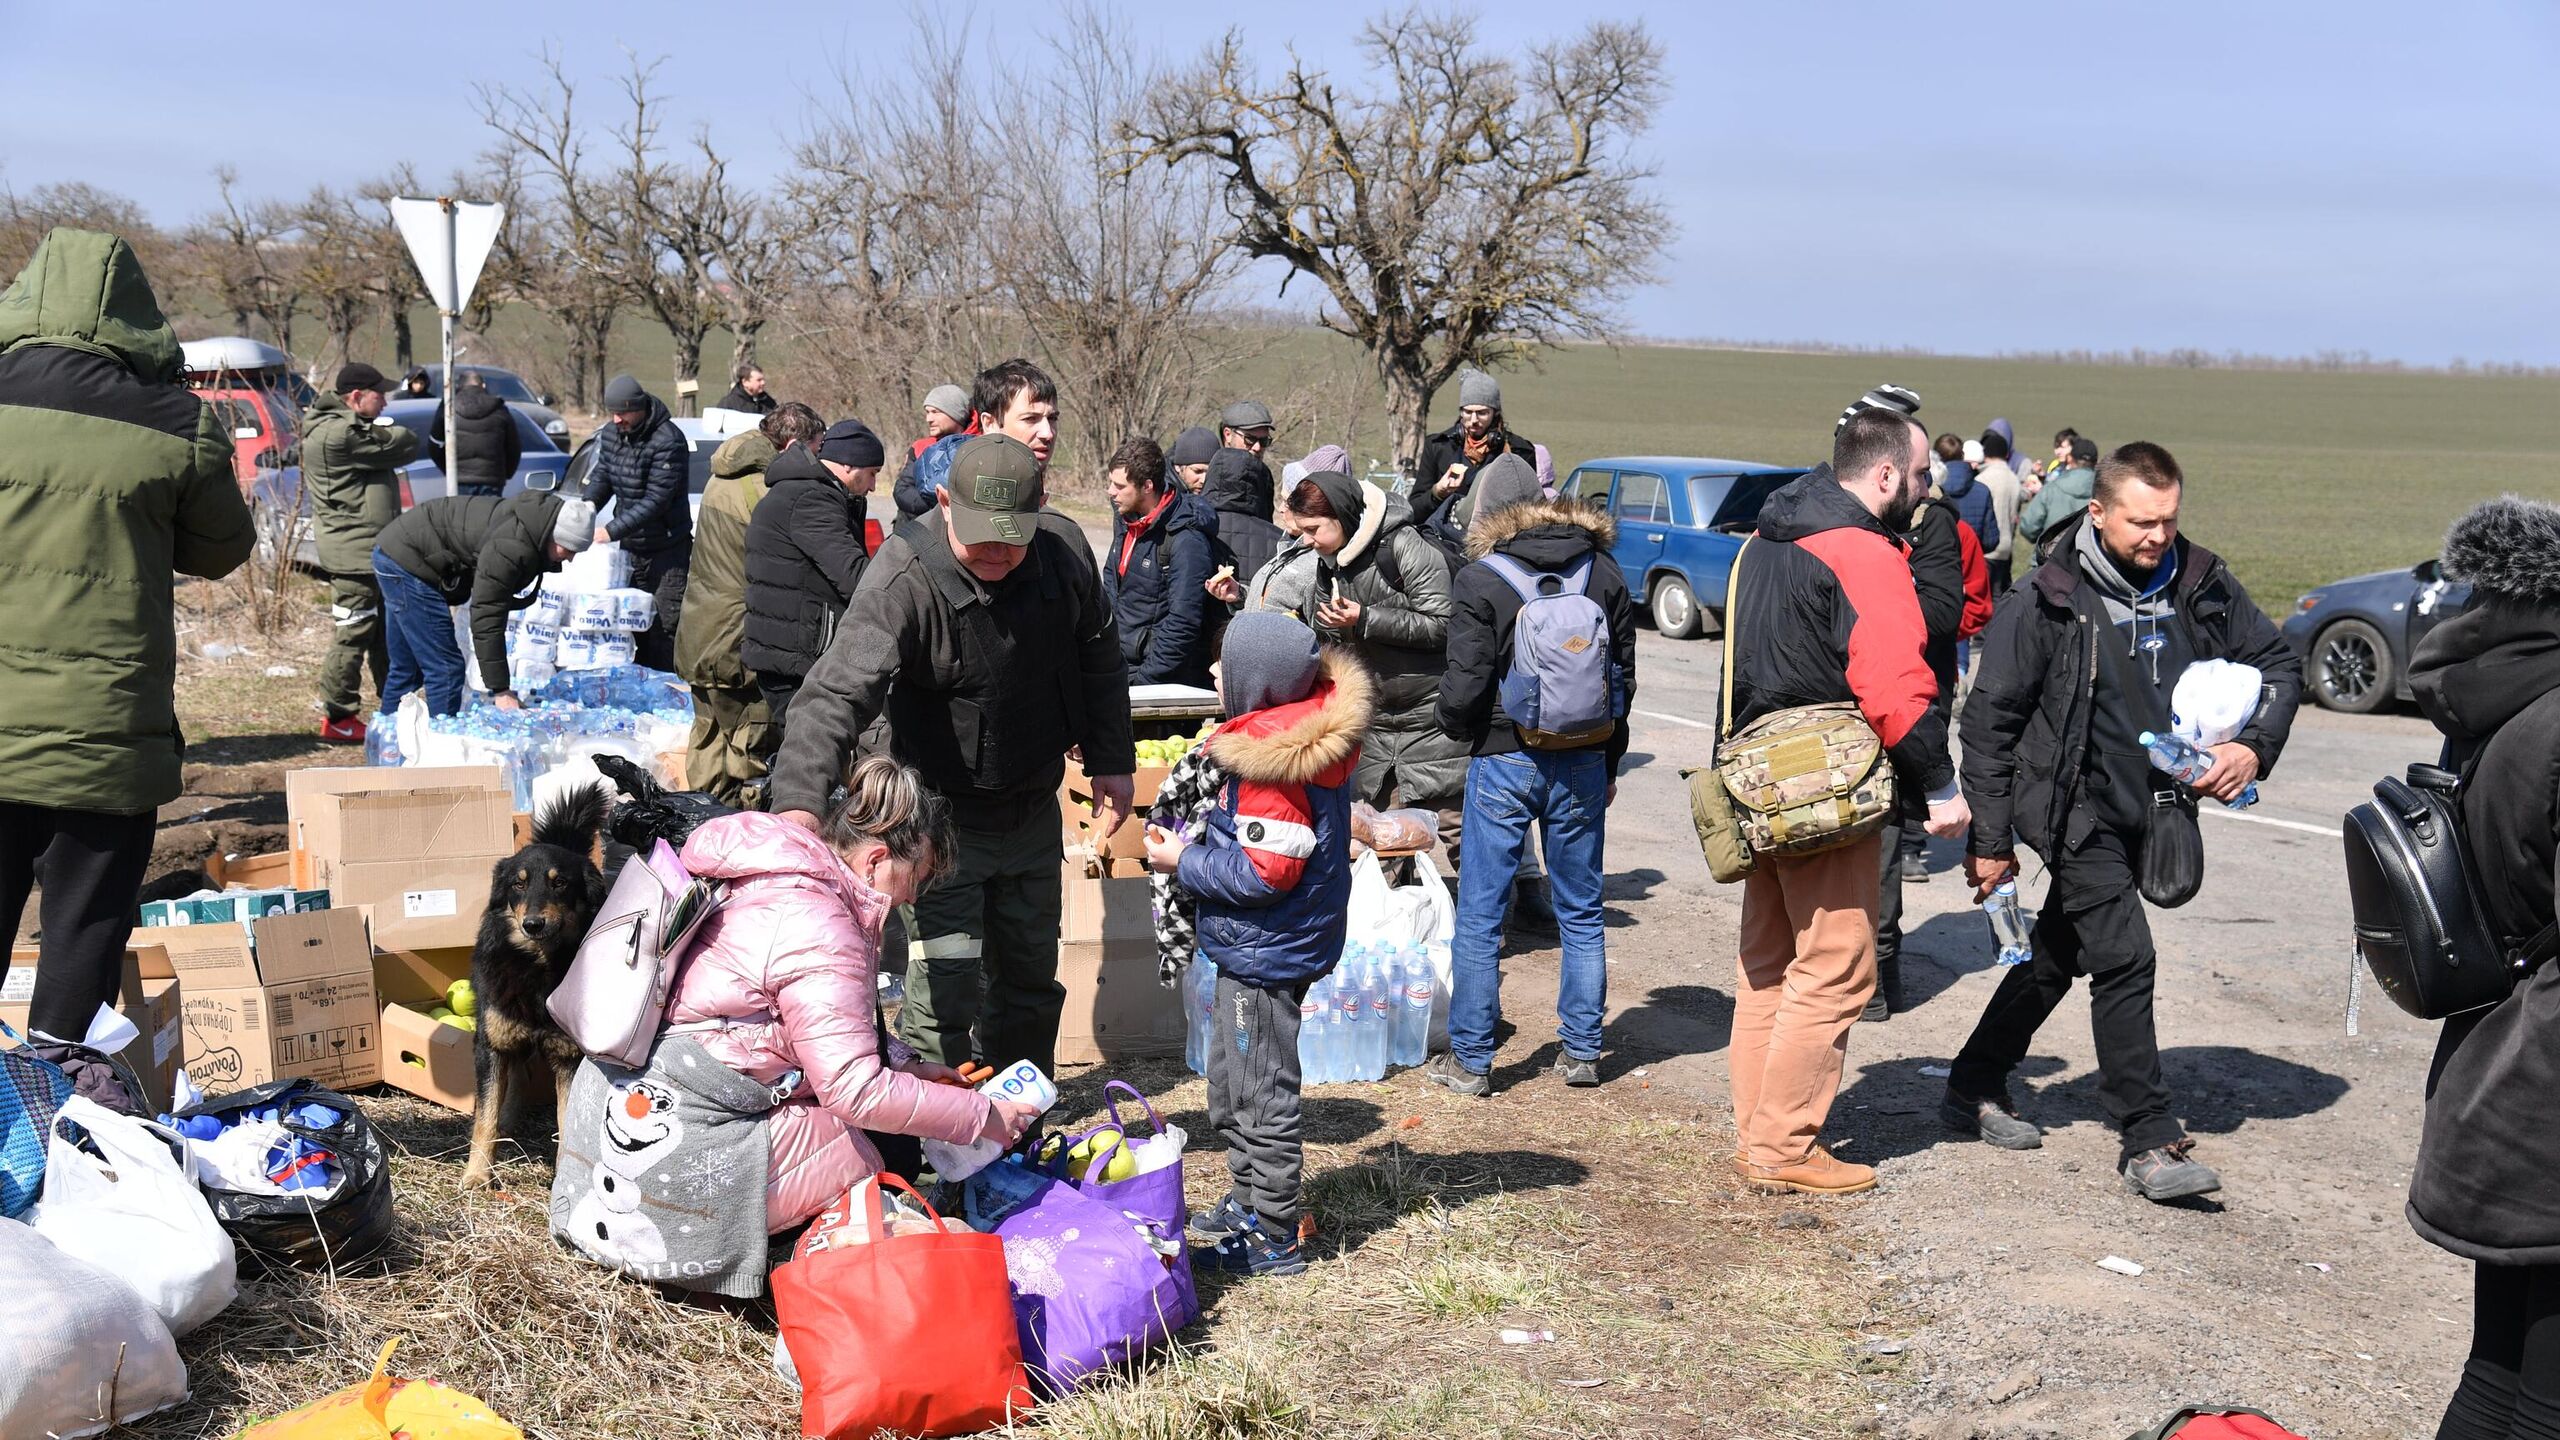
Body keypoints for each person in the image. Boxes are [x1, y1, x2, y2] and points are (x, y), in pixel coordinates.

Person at [1945, 441, 2299, 1204]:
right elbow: (1988, 726)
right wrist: (1991, 841)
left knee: (2056, 954)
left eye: (2169, 520)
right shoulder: (2046, 597)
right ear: (2098, 512)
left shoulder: (2200, 579)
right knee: (2126, 957)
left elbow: (2278, 662)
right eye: (2142, 522)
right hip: (2071, 808)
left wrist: (2252, 747)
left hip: (2159, 804)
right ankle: (2148, 1138)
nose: (2158, 537)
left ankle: (1970, 1083)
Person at [767, 432, 1134, 1076]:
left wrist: (1111, 758)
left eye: (1011, 535)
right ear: (942, 501)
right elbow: (831, 694)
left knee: (1029, 979)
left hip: (1030, 804)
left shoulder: (1065, 550)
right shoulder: (904, 574)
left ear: (1040, 506)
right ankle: (942, 1145)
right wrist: (798, 808)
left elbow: (1099, 656)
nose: (995, 550)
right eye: (978, 533)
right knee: (945, 986)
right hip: (938, 824)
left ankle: (1021, 1126)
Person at [0, 226, 256, 1041]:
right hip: (106, 733)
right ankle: (53, 1105)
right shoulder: (174, 423)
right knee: (82, 933)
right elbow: (224, 550)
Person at [1724, 406, 1968, 1196]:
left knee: (1768, 966)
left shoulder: (1765, 538)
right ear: (1888, 473)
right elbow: (1897, 686)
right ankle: (1783, 1149)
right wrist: (1941, 784)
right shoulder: (1863, 552)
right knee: (1835, 968)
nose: (1928, 493)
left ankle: (1758, 1130)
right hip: (1825, 792)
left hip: (1755, 783)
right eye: (1923, 476)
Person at [670, 758, 1041, 1232]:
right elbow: (854, 1090)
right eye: (917, 878)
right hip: (693, 1136)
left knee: (891, 1148)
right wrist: (982, 1115)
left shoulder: (795, 882)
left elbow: (805, 1024)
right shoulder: (819, 923)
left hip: (683, 1094)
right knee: (876, 1169)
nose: (912, 898)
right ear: (875, 860)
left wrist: (904, 1062)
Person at [2402, 497, 2560, 1440]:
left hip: (2491, 1056)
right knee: (2545, 1404)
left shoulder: (2487, 699)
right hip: (2548, 1085)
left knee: (2497, 1372)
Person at [1144, 613, 1368, 1277]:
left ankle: (1274, 1238)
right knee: (1231, 1080)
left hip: (1267, 955)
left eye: (1223, 667)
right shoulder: (1292, 737)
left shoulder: (1274, 766)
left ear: (1255, 684)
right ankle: (1248, 1199)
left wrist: (1183, 861)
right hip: (1261, 947)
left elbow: (1266, 871)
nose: (1213, 675)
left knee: (1260, 1092)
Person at [1424, 458, 1636, 1097]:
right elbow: (1621, 679)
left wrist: (1463, 733)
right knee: (1581, 908)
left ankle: (1472, 1061)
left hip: (1503, 756)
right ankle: (1582, 1053)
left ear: (1487, 514)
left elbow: (1462, 687)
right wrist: (1610, 760)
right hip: (1583, 758)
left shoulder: (1480, 579)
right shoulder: (1604, 571)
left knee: (1484, 911)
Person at [1251, 468, 1468, 846]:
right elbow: (1334, 636)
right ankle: (1394, 907)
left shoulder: (1403, 546)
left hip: (1430, 719)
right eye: (1303, 530)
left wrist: (1366, 619)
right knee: (1380, 838)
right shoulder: (1328, 559)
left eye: (1314, 529)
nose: (1307, 540)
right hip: (1376, 719)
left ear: (1343, 516)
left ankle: (1482, 908)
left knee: (1455, 831)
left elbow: (1444, 624)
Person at [676, 402, 826, 804]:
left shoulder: (720, 477)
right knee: (752, 755)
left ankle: (697, 840)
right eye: (816, 448)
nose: (819, 458)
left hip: (698, 633)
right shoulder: (765, 491)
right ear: (794, 445)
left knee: (707, 748)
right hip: (737, 639)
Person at [373, 492, 597, 715]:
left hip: (395, 549)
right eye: (568, 550)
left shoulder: (532, 525)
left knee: (408, 668)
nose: (570, 559)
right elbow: (486, 616)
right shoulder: (511, 547)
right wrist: (501, 689)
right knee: (446, 669)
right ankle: (438, 745)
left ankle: (387, 743)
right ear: (553, 536)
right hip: (407, 561)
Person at [305, 358, 423, 744]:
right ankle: (339, 715)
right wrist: (392, 432)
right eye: (380, 395)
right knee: (353, 632)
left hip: (367, 549)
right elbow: (405, 444)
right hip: (353, 554)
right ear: (356, 397)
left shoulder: (346, 428)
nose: (386, 404)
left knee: (382, 634)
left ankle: (394, 708)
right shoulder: (339, 434)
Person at [744, 419, 883, 732]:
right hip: (797, 655)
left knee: (805, 751)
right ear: (849, 465)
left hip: (791, 649)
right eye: (872, 473)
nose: (873, 486)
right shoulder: (812, 500)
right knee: (808, 754)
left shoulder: (805, 492)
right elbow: (853, 576)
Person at [583, 374, 692, 671]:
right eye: (613, 413)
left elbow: (657, 500)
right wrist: (586, 507)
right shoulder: (611, 434)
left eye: (623, 413)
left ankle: (667, 692)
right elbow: (602, 477)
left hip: (667, 551)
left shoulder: (668, 440)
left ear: (640, 408)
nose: (617, 420)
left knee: (664, 626)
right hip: (630, 550)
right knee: (629, 624)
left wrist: (611, 530)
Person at [1103, 436, 1220, 688]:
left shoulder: (1186, 540)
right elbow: (1111, 588)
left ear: (1147, 486)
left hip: (1152, 680)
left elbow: (1183, 621)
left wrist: (1146, 682)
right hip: (1117, 665)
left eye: (1119, 486)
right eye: (1111, 483)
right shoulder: (1125, 520)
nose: (1110, 491)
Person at [1420, 369, 1537, 563]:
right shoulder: (1438, 447)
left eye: (1482, 413)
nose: (1473, 420)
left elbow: (1531, 509)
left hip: (1500, 549)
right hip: (1444, 549)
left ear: (1496, 413)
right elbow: (1415, 509)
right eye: (1468, 412)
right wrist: (1437, 492)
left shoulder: (1519, 452)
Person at [427, 370, 522, 499]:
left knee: (462, 517)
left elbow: (434, 445)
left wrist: (448, 470)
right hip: (491, 479)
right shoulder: (499, 409)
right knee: (489, 517)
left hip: (458, 479)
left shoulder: (449, 409)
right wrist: (506, 473)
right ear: (483, 386)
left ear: (459, 386)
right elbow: (513, 447)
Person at [2016, 434, 2099, 553]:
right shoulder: (2105, 492)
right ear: (2096, 462)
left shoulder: (2051, 488)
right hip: (2088, 562)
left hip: (2050, 561)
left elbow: (2028, 527)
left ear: (2070, 458)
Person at [1974, 429, 2025, 589]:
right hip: (2006, 548)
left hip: (1986, 549)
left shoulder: (1982, 479)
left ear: (1986, 453)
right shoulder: (2014, 479)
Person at [1212, 400, 1278, 519]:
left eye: (1264, 441)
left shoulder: (1264, 476)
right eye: (1249, 439)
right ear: (1227, 434)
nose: (1257, 447)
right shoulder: (1205, 470)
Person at [1169, 425, 1218, 495]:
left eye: (1210, 473)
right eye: (1197, 471)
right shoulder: (1163, 497)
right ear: (1178, 467)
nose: (1203, 480)